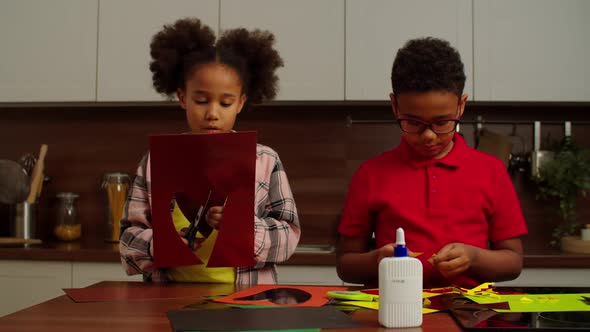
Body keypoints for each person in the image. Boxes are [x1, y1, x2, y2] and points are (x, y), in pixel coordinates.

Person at [119, 18, 300, 286]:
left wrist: (242, 227)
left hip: (245, 303)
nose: (212, 114)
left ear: (240, 103)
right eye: (201, 101)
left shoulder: (265, 160)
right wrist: (161, 245)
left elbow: (289, 237)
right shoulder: (155, 161)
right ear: (182, 98)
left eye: (225, 103)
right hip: (167, 301)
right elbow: (127, 240)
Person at [336, 37, 527, 288]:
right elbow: (346, 266)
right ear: (395, 106)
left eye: (442, 122)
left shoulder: (491, 171)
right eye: (413, 122)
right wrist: (377, 260)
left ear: (461, 106)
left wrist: (474, 257)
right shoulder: (371, 174)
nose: (428, 136)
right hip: (392, 312)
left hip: (468, 312)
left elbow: (513, 262)